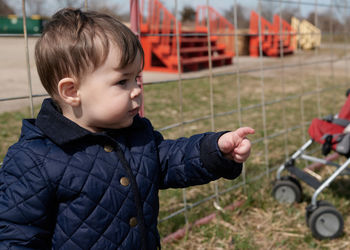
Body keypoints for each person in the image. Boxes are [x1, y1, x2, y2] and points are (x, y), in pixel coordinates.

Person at [0, 8, 254, 250]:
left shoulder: (136, 136)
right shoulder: (34, 160)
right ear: (72, 91)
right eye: (122, 81)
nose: (136, 89)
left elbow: (171, 159)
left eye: (137, 78)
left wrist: (216, 150)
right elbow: (16, 234)